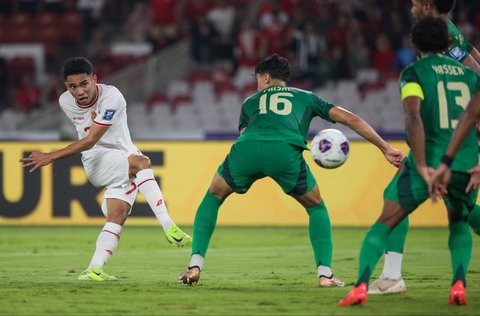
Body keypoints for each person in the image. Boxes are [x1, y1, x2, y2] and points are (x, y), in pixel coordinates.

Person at [178, 54, 403, 287]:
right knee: (316, 206)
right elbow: (350, 118)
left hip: (248, 149)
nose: (257, 84)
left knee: (213, 196)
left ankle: (194, 265)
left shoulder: (249, 102)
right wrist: (384, 147)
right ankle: (325, 275)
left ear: (266, 77)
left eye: (257, 79)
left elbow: (246, 134)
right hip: (284, 153)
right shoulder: (307, 97)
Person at [339, 17, 479, 306]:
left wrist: (425, 165)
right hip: (465, 162)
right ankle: (458, 286)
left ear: (414, 44)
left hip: (427, 159)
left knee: (386, 220)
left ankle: (363, 285)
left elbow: (414, 117)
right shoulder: (472, 77)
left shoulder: (414, 73)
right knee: (459, 220)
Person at [20, 57, 192, 281]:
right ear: (66, 88)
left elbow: (91, 137)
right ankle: (169, 227)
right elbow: (91, 142)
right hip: (97, 161)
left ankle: (94, 269)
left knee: (116, 215)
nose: (79, 91)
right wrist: (51, 156)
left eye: (84, 84)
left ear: (95, 79)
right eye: (73, 87)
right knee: (142, 163)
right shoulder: (65, 101)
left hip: (119, 156)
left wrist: (51, 155)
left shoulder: (112, 97)